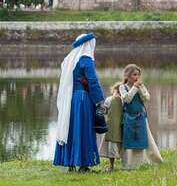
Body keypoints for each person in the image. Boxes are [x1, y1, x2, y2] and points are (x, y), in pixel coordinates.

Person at [53, 33, 105, 172]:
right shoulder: (86, 59)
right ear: (88, 44)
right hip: (83, 99)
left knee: (71, 129)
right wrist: (100, 100)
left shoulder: (70, 59)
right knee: (84, 129)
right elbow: (93, 82)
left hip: (71, 99)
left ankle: (70, 162)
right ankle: (83, 165)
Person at [120, 64, 163, 169]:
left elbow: (147, 98)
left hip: (140, 117)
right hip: (129, 118)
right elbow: (127, 99)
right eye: (134, 75)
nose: (137, 77)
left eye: (138, 75)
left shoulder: (140, 86)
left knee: (144, 140)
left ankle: (145, 162)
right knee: (128, 140)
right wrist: (134, 88)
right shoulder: (122, 87)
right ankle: (127, 164)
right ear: (127, 75)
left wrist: (140, 89)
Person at [98, 81, 124, 172]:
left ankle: (111, 166)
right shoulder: (124, 100)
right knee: (121, 146)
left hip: (111, 127)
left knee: (112, 147)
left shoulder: (109, 99)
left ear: (114, 89)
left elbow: (104, 110)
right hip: (121, 127)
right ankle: (124, 164)